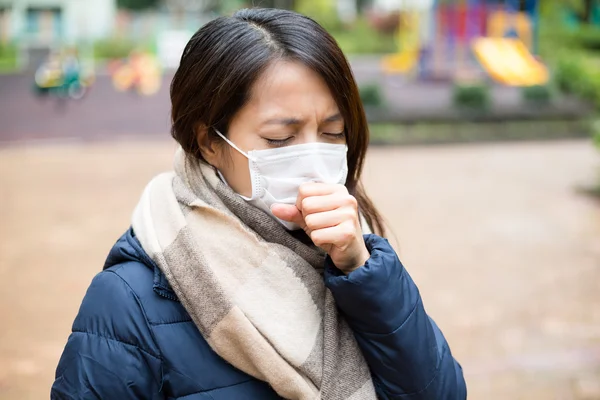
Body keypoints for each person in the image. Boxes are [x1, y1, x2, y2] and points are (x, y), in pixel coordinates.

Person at [51, 8, 466, 400]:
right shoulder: (128, 303)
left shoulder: (360, 260)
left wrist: (361, 270)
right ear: (209, 142)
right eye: (280, 139)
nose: (311, 159)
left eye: (333, 132)